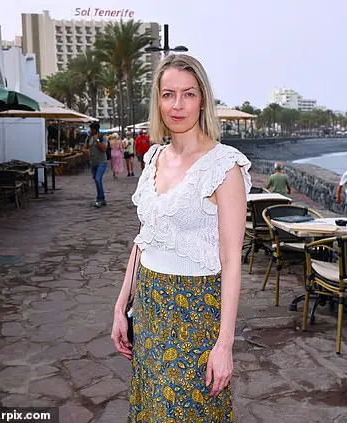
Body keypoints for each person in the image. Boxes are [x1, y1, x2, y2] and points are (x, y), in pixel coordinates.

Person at [111, 54, 251, 422]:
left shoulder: (225, 167)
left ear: (203, 99)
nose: (177, 105)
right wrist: (121, 305)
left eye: (188, 94)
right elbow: (144, 239)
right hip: (149, 306)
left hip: (196, 311)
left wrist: (225, 344)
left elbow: (232, 261)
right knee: (153, 409)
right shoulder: (154, 158)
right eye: (168, 94)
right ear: (157, 100)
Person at [82, 122, 108, 208]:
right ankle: (102, 198)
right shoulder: (89, 137)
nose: (91, 131)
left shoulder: (102, 137)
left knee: (98, 179)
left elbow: (104, 149)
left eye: (92, 129)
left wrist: (97, 140)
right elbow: (84, 148)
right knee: (97, 181)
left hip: (102, 162)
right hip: (93, 162)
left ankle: (99, 199)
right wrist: (85, 151)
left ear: (96, 129)